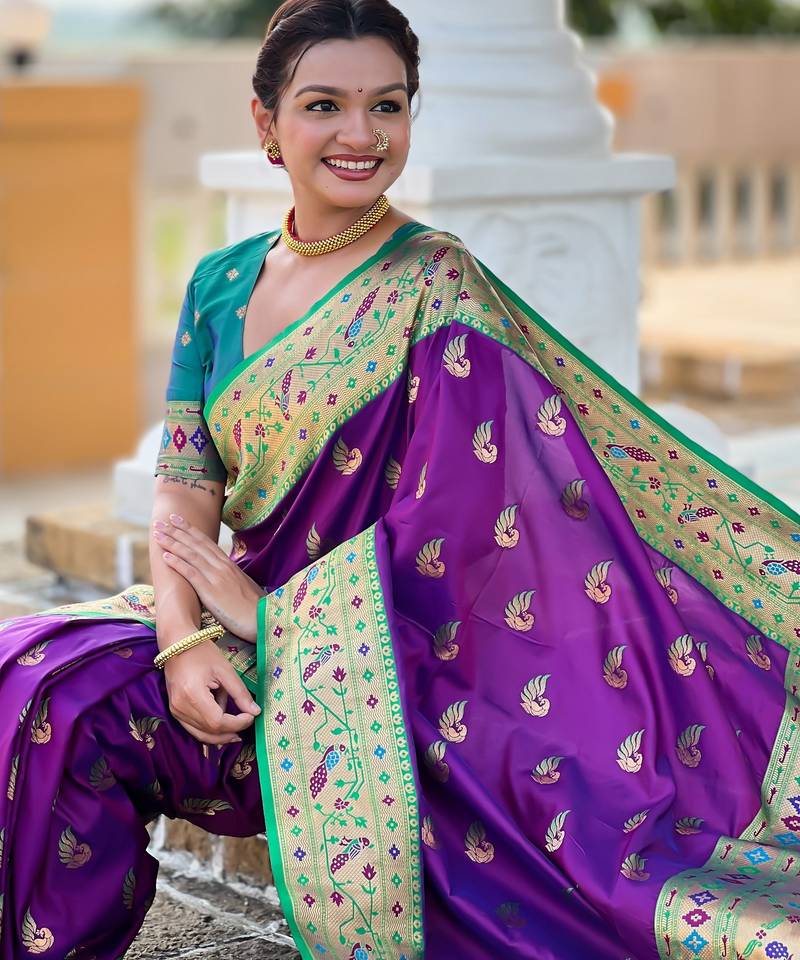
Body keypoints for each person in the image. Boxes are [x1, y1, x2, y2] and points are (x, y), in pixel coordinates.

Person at [1, 0, 798, 957]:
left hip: (386, 668)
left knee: (70, 708)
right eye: (324, 105)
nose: (361, 134)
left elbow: (465, 533)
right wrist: (183, 639)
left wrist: (275, 620)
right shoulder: (219, 284)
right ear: (266, 121)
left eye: (387, 105)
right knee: (29, 678)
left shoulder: (435, 283)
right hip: (231, 631)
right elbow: (184, 485)